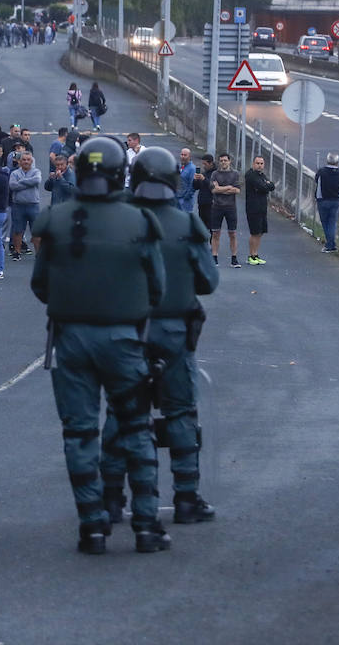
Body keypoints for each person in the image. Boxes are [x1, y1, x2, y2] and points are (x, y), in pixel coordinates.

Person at [30, 135, 169, 555]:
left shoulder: (55, 219)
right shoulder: (141, 222)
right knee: (136, 430)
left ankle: (91, 526)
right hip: (125, 341)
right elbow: (157, 289)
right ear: (117, 174)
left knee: (79, 433)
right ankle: (145, 526)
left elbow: (40, 285)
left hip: (71, 340)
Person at [99, 148, 220, 525]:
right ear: (172, 180)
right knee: (181, 412)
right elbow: (208, 282)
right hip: (173, 332)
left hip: (126, 332)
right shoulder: (187, 226)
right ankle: (186, 497)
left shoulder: (115, 223)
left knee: (121, 413)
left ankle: (112, 499)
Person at [207, 153, 242, 269]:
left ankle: (234, 259)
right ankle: (214, 257)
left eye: (225, 160)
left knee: (232, 233)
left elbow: (237, 190)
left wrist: (220, 188)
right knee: (216, 233)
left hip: (230, 207)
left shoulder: (235, 174)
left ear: (229, 161)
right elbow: (213, 190)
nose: (223, 162)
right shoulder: (215, 174)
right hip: (217, 207)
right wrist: (228, 187)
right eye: (221, 160)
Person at [8, 152, 42, 261]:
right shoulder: (14, 173)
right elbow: (12, 185)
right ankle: (17, 252)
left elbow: (37, 180)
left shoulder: (36, 171)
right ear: (20, 162)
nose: (26, 162)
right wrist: (28, 183)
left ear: (32, 161)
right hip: (18, 205)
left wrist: (21, 182)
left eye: (28, 160)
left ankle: (39, 253)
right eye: (24, 160)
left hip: (33, 205)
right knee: (18, 230)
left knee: (36, 230)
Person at [244, 155, 277, 265]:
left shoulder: (262, 175)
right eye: (257, 163)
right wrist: (266, 185)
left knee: (260, 232)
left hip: (262, 207)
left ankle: (256, 254)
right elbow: (263, 187)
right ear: (253, 164)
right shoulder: (250, 175)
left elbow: (271, 186)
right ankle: (251, 256)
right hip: (253, 208)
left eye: (261, 163)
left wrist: (267, 185)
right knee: (255, 232)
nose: (259, 165)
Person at [314, 153, 339, 253]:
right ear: (337, 162)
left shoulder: (322, 172)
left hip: (323, 200)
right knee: (332, 223)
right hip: (335, 201)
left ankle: (330, 244)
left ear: (327, 161)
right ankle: (331, 244)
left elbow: (316, 180)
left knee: (325, 223)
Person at [195, 154, 215, 229]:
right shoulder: (204, 173)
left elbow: (213, 186)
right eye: (202, 164)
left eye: (205, 164)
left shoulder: (215, 173)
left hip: (211, 204)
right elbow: (196, 187)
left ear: (211, 163)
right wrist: (196, 180)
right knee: (201, 227)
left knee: (211, 228)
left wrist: (204, 179)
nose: (203, 166)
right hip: (202, 203)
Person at [177, 148, 197, 213]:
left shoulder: (192, 169)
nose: (183, 157)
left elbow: (192, 185)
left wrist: (185, 198)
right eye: (181, 154)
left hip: (186, 201)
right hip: (177, 198)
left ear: (189, 156)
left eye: (185, 155)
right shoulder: (180, 166)